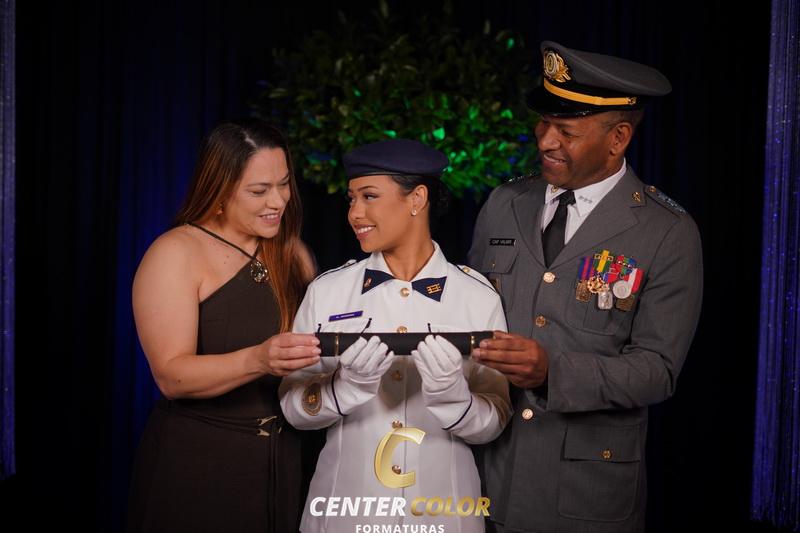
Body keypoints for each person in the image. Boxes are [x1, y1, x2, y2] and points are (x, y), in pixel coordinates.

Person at [468, 41, 703, 533]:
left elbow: (657, 370)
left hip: (585, 496)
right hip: (489, 478)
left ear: (618, 138)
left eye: (567, 132)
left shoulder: (665, 231)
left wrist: (553, 371)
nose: (545, 141)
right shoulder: (504, 202)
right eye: (543, 123)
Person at [279, 139, 512, 533]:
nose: (354, 213)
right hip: (345, 513)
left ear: (417, 198)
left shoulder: (477, 296)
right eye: (352, 199)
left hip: (444, 514)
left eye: (369, 196)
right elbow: (293, 406)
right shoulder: (328, 291)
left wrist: (454, 399)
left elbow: (496, 419)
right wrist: (342, 389)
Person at [126, 119, 322, 532]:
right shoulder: (176, 252)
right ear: (219, 189)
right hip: (199, 466)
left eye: (284, 184)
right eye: (259, 191)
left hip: (284, 462)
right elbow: (171, 376)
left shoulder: (293, 253)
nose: (278, 201)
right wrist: (258, 359)